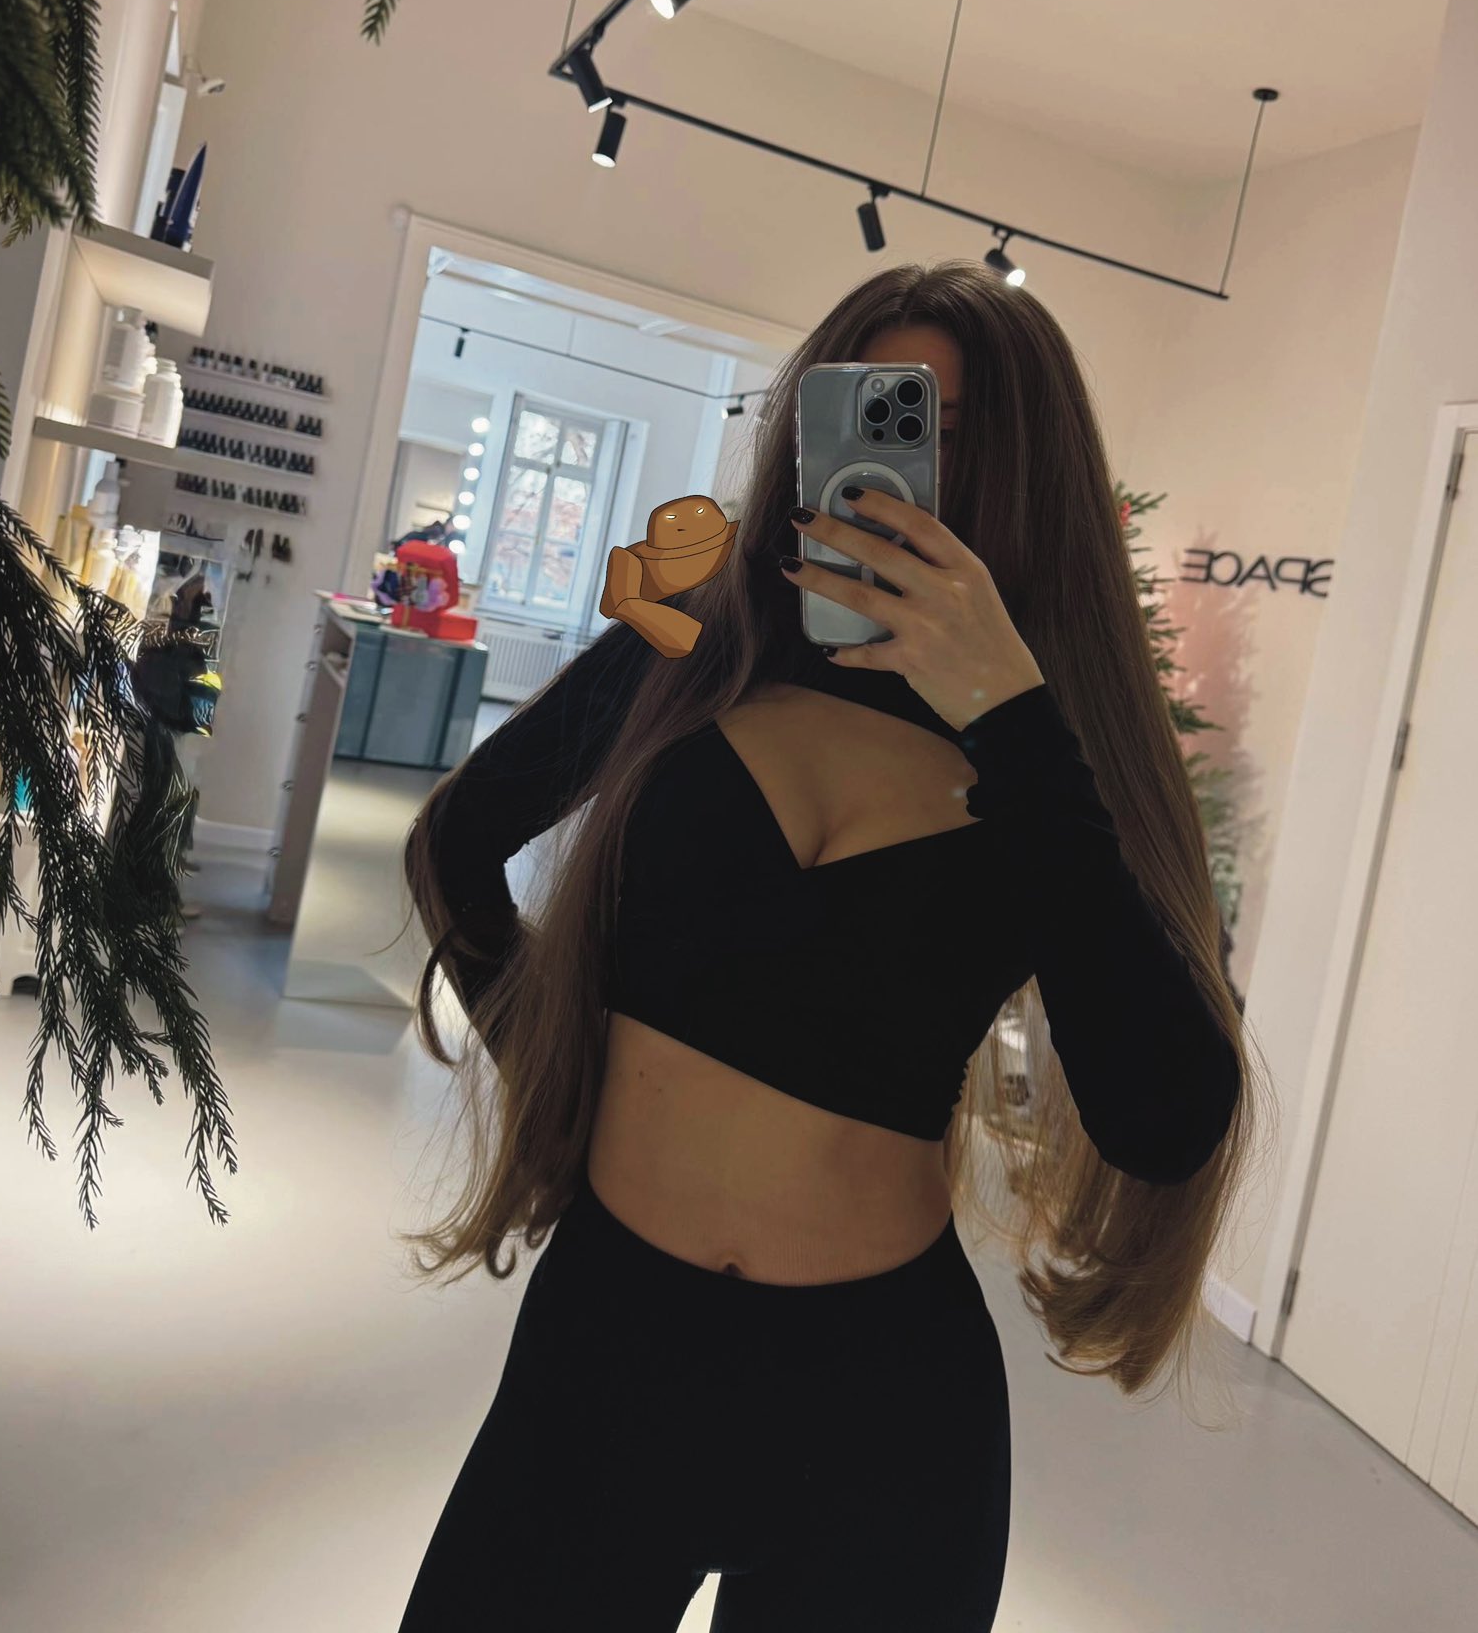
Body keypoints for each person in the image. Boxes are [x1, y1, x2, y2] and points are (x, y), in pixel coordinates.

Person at [396, 259, 1262, 1632]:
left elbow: (1165, 1118)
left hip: (886, 1413)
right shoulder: (692, 643)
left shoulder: (1053, 744)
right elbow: (460, 840)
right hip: (607, 1347)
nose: (882, 475)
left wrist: (1008, 714)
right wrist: (560, 1083)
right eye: (856, 416)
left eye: (938, 434)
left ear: (1022, 472)